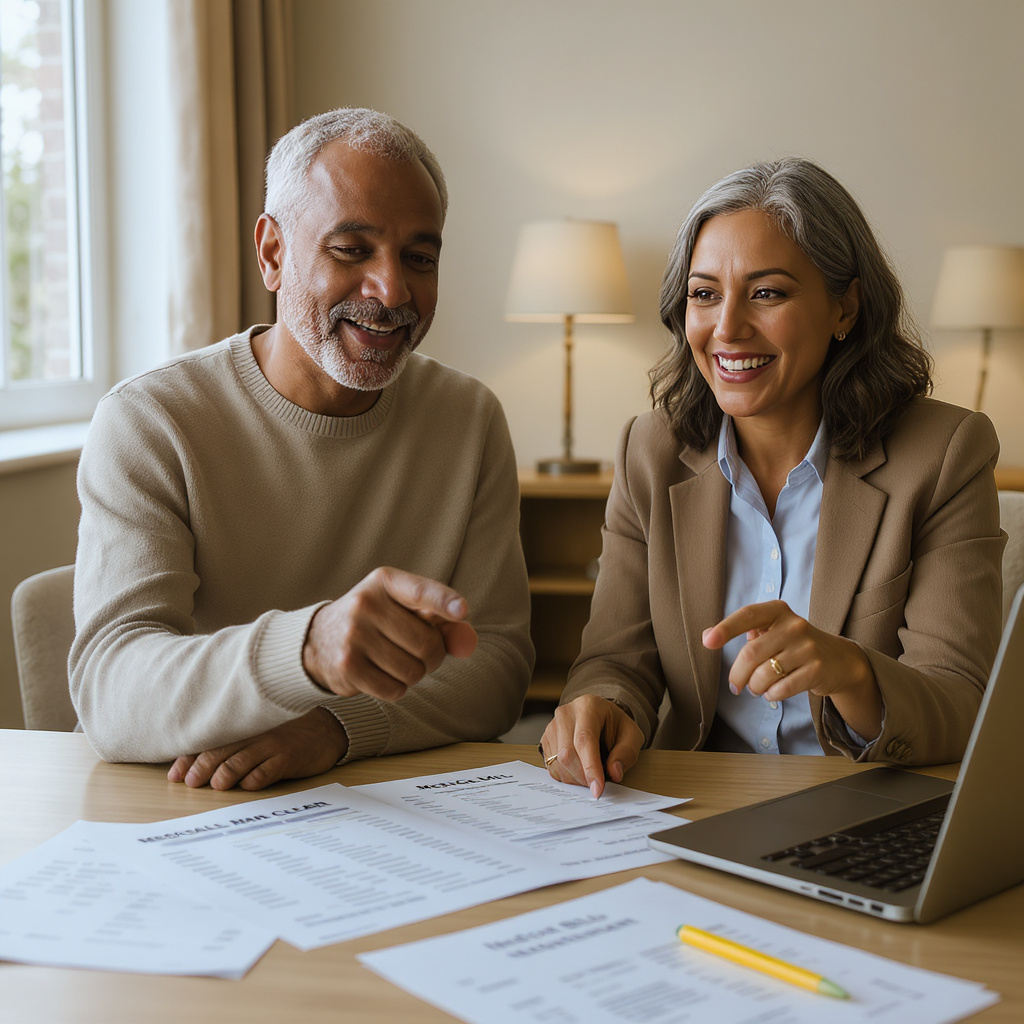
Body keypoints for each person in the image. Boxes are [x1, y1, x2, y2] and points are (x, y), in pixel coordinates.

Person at [70, 107, 533, 790]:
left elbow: (496, 668)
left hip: (381, 814)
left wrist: (338, 726)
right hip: (184, 806)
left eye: (420, 258)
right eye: (352, 249)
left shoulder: (469, 419)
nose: (392, 290)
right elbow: (111, 693)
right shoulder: (149, 421)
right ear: (272, 253)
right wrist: (307, 652)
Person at [541, 157, 1004, 797]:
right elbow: (616, 660)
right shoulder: (648, 451)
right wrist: (603, 705)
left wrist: (851, 672)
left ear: (845, 307)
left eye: (768, 293)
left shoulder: (945, 452)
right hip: (693, 807)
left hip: (863, 808)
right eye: (704, 294)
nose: (727, 328)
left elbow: (960, 704)